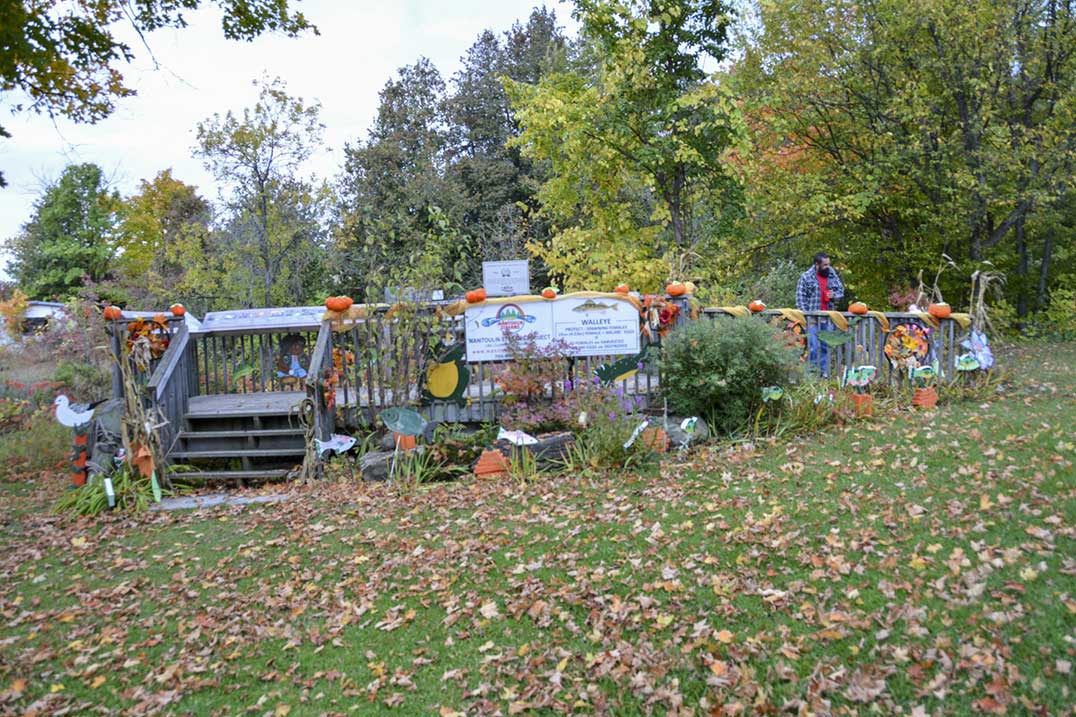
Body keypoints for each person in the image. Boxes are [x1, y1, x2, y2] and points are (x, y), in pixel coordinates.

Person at [796, 252, 845, 377]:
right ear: (817, 264)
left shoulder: (832, 275)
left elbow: (841, 291)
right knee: (813, 346)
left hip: (828, 317)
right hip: (812, 318)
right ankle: (812, 374)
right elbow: (800, 299)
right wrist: (806, 316)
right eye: (825, 265)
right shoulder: (806, 277)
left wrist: (834, 295)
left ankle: (824, 373)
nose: (828, 267)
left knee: (825, 346)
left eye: (829, 264)